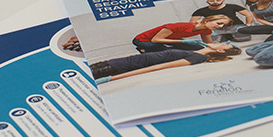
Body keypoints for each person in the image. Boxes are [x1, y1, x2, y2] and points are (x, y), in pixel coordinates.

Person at [90, 44, 242, 83]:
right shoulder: (195, 49)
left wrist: (110, 79)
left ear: (221, 51)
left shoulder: (197, 57)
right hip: (115, 62)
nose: (220, 43)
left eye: (225, 45)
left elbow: (158, 67)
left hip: (115, 68)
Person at [132, 14, 233, 53]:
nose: (220, 27)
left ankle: (150, 50)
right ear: (206, 21)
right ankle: (144, 49)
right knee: (171, 52)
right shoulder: (178, 26)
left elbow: (209, 44)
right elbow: (155, 39)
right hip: (144, 40)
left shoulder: (207, 30)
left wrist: (222, 47)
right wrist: (183, 42)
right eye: (219, 23)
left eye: (223, 25)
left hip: (168, 39)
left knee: (197, 48)